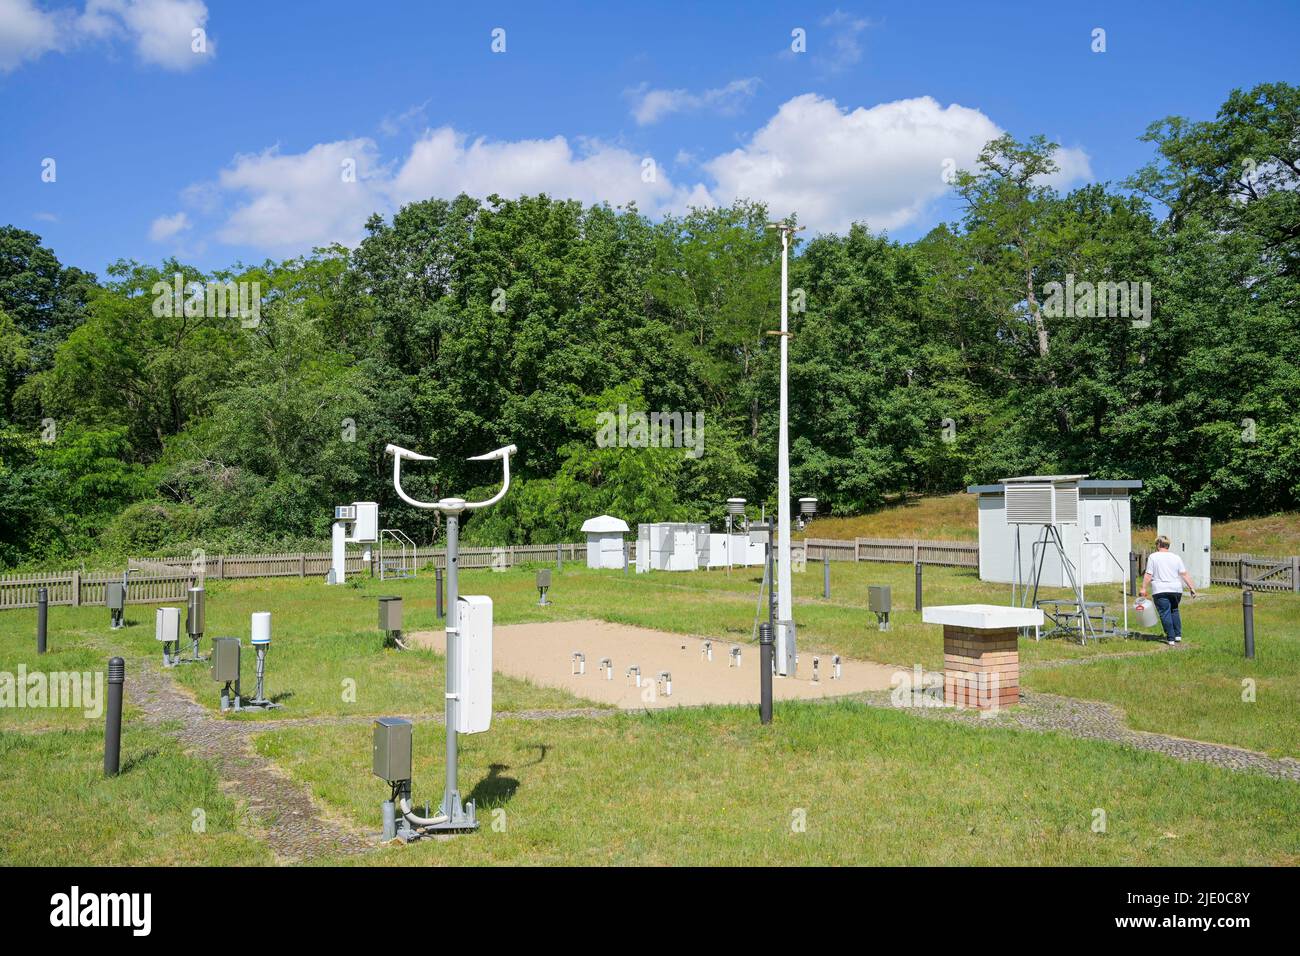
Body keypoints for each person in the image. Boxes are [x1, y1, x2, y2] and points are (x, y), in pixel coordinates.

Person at [1139, 536, 1198, 645]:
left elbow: (1148, 574)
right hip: (1176, 590)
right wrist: (1191, 588)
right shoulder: (1176, 557)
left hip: (1160, 589)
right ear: (1168, 545)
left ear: (1158, 545)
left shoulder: (1153, 557)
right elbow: (1184, 574)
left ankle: (1170, 638)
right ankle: (1178, 635)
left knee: (1165, 613)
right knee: (1174, 610)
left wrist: (1143, 588)